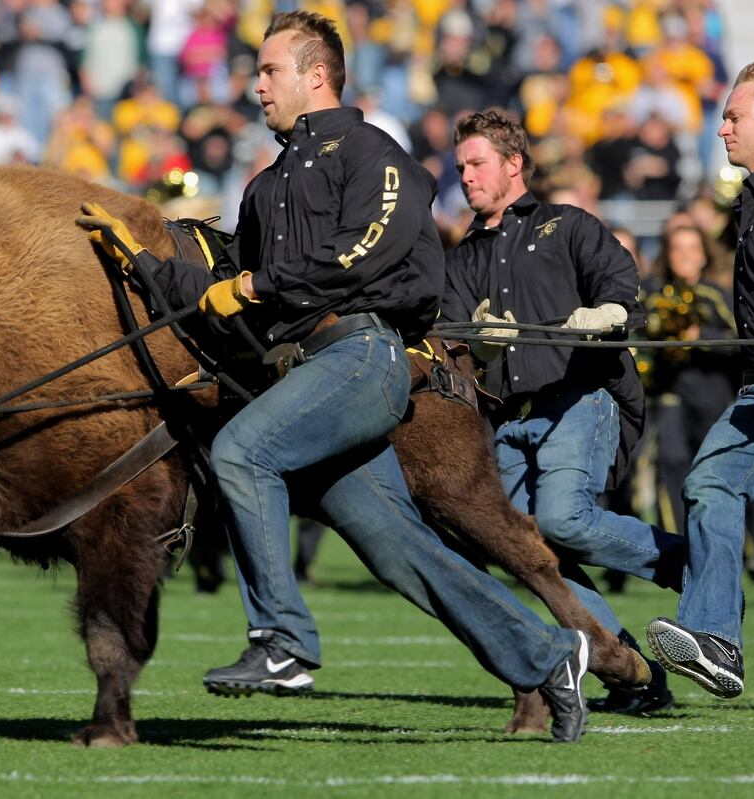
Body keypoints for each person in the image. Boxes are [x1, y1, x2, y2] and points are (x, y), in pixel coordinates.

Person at [79, 12, 591, 743]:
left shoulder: (374, 154)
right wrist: (140, 260)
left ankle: (282, 638)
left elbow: (366, 255)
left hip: (367, 357)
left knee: (240, 451)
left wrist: (255, 286)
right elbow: (229, 303)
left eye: (268, 72)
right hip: (309, 377)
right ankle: (549, 656)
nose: (255, 87)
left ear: (315, 76)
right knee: (400, 552)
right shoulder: (265, 188)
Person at [440, 108, 682, 715]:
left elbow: (622, 288)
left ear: (514, 164)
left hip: (581, 393)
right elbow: (455, 338)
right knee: (530, 552)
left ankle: (691, 563)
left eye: (477, 164)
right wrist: (475, 340)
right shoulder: (462, 257)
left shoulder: (566, 224)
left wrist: (608, 314)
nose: (466, 176)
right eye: (461, 166)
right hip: (508, 417)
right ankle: (629, 671)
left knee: (563, 521)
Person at [647, 60, 754, 699]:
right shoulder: (752, 199)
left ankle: (715, 633)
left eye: (735, 116)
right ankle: (715, 638)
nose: (722, 127)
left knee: (710, 482)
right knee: (709, 482)